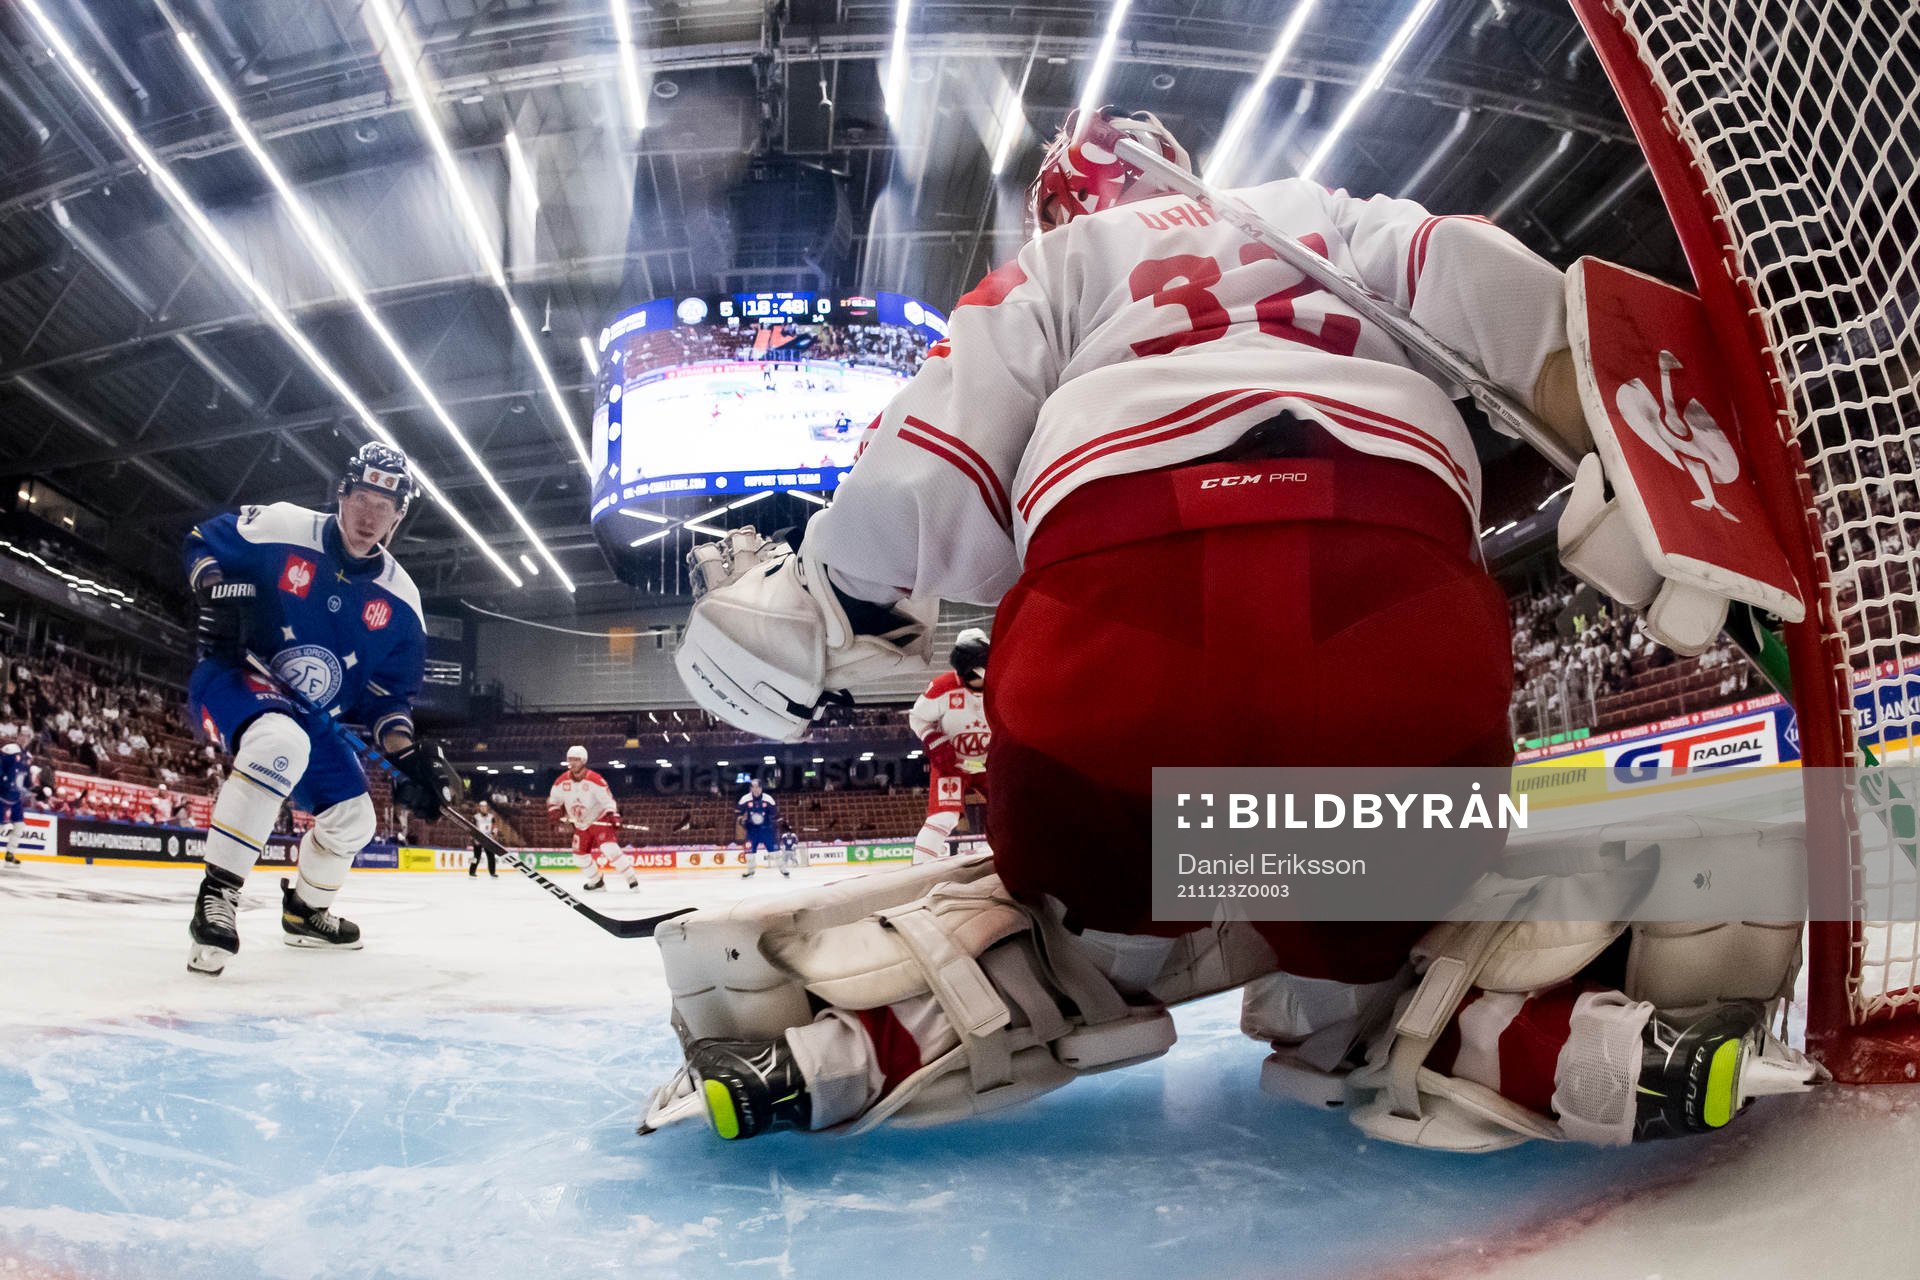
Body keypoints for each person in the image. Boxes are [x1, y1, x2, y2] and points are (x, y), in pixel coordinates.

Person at [668, 109, 1814, 1145]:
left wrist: (822, 598)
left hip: (1114, 607)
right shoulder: (1324, 217)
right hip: (1392, 588)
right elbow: (1490, 284)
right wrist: (1644, 462)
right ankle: (1532, 1028)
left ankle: (884, 1031)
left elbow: (924, 468)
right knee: (1375, 933)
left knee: (1081, 922)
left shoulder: (1062, 261)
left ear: (1066, 208)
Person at [181, 442, 463, 976]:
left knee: (355, 817)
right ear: (342, 493)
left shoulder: (402, 602)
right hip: (236, 676)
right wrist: (214, 588)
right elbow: (201, 541)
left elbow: (388, 701)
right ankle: (218, 896)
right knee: (279, 742)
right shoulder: (283, 525)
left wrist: (409, 758)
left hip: (311, 716)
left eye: (385, 506)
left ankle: (306, 913)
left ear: (399, 516)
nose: (369, 514)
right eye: (362, 497)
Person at [907, 628, 990, 862]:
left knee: (1010, 814)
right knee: (943, 818)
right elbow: (917, 717)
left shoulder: (1005, 683)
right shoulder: (942, 687)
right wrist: (933, 739)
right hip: (953, 764)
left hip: (992, 764)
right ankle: (920, 871)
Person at [549, 746, 636, 891]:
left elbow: (607, 801)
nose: (572, 763)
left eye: (576, 760)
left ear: (583, 761)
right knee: (579, 857)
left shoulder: (595, 780)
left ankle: (631, 879)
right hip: (580, 824)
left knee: (610, 849)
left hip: (598, 819)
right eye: (570, 760)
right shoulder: (561, 781)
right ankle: (597, 882)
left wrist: (612, 815)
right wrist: (554, 811)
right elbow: (554, 800)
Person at [736, 778, 779, 878]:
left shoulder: (768, 799)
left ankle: (783, 870)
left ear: (761, 788)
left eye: (757, 787)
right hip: (752, 831)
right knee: (749, 852)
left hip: (766, 830)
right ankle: (750, 871)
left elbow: (775, 814)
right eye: (753, 787)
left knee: (775, 853)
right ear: (750, 788)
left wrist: (771, 822)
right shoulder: (744, 799)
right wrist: (742, 819)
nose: (755, 789)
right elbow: (738, 813)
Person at [0, 741, 30, 865]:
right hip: (2, 799)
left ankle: (10, 853)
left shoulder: (24, 763)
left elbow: (26, 783)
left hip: (16, 799)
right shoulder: (4, 762)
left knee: (20, 826)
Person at [469, 799, 499, 878]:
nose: (483, 808)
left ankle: (492, 873)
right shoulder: (475, 817)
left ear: (487, 808)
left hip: (488, 839)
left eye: (484, 807)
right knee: (476, 856)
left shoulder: (491, 817)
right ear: (479, 808)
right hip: (478, 839)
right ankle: (472, 872)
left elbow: (495, 827)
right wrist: (474, 839)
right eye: (481, 807)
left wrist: (493, 834)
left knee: (491, 856)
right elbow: (472, 829)